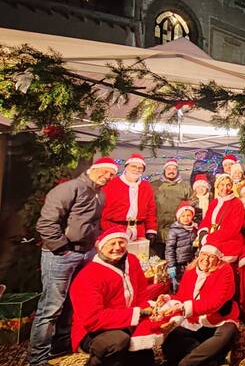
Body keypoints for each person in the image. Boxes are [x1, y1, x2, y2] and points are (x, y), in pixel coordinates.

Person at [29, 157, 118, 366]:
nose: (108, 177)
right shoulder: (70, 189)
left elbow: (92, 224)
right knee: (51, 307)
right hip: (62, 255)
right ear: (93, 169)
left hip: (85, 254)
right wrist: (62, 249)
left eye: (112, 174)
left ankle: (61, 348)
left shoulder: (100, 194)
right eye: (105, 172)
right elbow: (46, 223)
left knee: (73, 303)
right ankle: (38, 358)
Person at [69, 227, 155, 366]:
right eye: (112, 243)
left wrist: (148, 312)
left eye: (121, 242)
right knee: (118, 342)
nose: (117, 247)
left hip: (127, 322)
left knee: (145, 358)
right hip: (94, 331)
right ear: (101, 248)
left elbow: (142, 293)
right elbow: (92, 319)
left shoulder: (132, 261)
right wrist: (136, 314)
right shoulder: (88, 276)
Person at [161, 242, 239, 366]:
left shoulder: (225, 270)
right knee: (170, 343)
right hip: (196, 321)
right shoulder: (191, 270)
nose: (206, 260)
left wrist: (183, 307)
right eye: (204, 254)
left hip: (219, 319)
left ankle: (187, 363)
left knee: (226, 333)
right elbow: (182, 297)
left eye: (211, 257)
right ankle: (212, 360)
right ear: (199, 254)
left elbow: (215, 302)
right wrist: (167, 298)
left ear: (218, 259)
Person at [101, 153, 157, 242]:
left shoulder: (146, 186)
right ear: (126, 167)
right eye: (133, 166)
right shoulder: (112, 183)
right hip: (113, 228)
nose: (137, 170)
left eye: (140, 168)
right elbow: (100, 206)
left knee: (138, 255)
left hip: (139, 230)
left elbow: (151, 210)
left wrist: (151, 229)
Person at [197, 174, 244, 264]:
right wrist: (203, 233)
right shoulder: (215, 202)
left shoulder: (237, 203)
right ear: (217, 186)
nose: (225, 188)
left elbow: (233, 229)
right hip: (212, 237)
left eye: (228, 185)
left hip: (229, 241)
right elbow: (207, 220)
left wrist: (209, 238)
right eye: (222, 185)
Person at [151, 158, 191, 258]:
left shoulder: (185, 187)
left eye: (174, 169)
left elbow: (191, 207)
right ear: (164, 170)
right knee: (156, 261)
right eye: (169, 168)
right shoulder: (154, 185)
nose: (171, 171)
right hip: (157, 231)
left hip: (177, 231)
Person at [166, 201, 198, 287]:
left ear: (192, 216)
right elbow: (170, 249)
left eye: (188, 215)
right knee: (180, 284)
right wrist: (171, 266)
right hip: (179, 264)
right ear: (178, 217)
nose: (186, 218)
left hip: (192, 262)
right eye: (183, 216)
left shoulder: (195, 228)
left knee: (191, 284)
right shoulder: (174, 230)